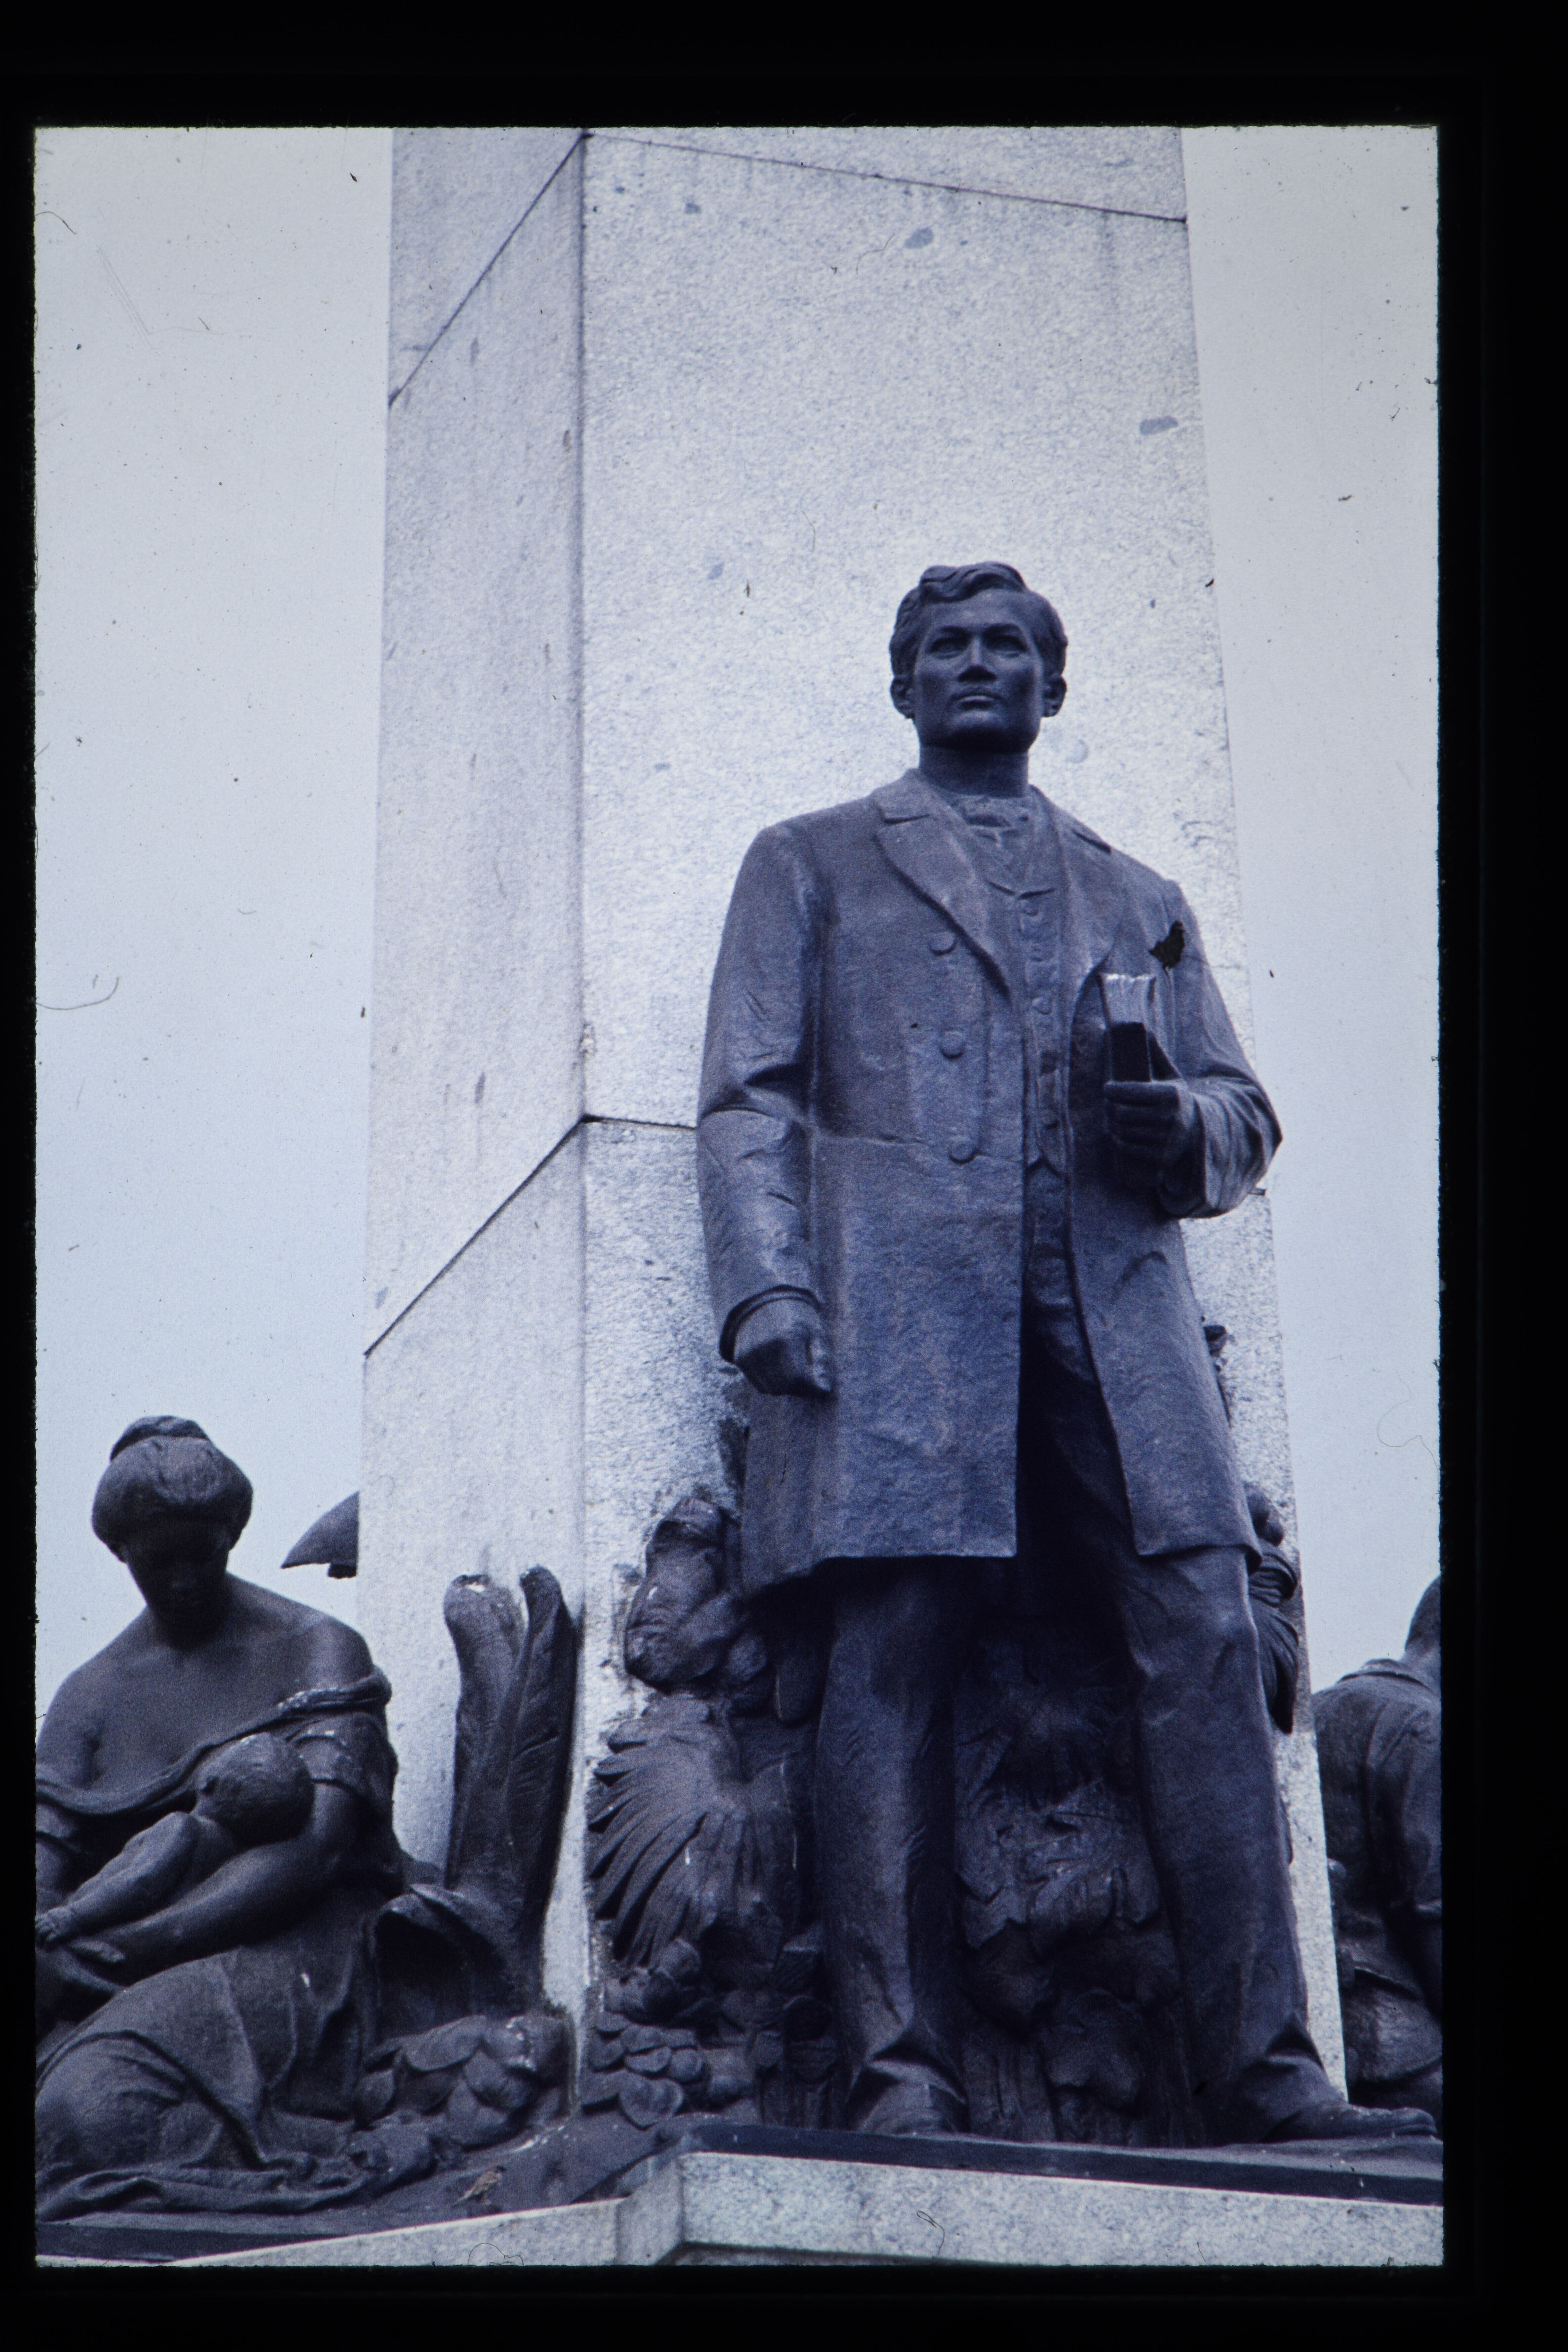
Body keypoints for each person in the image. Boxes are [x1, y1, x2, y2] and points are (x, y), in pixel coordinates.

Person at [696, 562, 1434, 2145]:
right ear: (902, 684)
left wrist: (1186, 1127)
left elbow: (1242, 1111)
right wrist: (766, 1290)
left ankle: (1264, 2063)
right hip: (899, 1318)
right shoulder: (810, 859)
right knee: (891, 1647)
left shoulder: (1132, 889)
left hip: (1116, 1311)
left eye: (1006, 647)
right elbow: (748, 1094)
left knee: (1207, 1632)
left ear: (1052, 685)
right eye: (947, 647)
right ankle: (897, 2072)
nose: (977, 666)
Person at [35, 1418, 406, 2213]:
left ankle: (306, 2145)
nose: (183, 1581)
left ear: (232, 1535)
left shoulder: (315, 1646)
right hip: (109, 1957)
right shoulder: (87, 1697)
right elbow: (42, 1869)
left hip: (295, 1941)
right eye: (157, 1560)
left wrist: (128, 1947)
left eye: (201, 1554)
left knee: (87, 2110)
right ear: (119, 1552)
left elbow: (317, 1849)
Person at [1314, 1580, 1442, 2132]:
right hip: (1403, 2053)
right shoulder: (1427, 1727)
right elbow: (1435, 1918)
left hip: (1327, 2039)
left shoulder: (1318, 1708)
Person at [36, 1733, 314, 1949]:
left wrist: (74, 1916)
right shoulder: (228, 1854)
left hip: (81, 1924)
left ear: (209, 1781)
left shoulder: (181, 1826)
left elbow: (141, 1882)